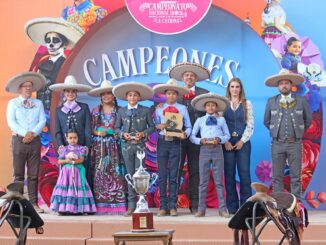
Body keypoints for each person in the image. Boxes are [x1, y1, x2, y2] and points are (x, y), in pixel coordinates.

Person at [169, 62, 210, 213]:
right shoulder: (174, 93)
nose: (189, 77)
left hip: (196, 139)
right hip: (177, 139)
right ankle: (172, 204)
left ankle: (195, 204)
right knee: (175, 171)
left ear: (196, 79)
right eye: (186, 75)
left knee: (195, 170)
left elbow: (210, 116)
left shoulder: (205, 93)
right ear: (182, 78)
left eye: (192, 76)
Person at [264, 69, 312, 198]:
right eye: (281, 83)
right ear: (278, 86)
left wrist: (298, 132)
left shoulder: (301, 100)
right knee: (277, 176)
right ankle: (279, 206)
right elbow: (266, 121)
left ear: (291, 85)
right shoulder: (271, 101)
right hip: (277, 144)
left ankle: (296, 207)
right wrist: (275, 132)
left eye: (286, 83)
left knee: (296, 177)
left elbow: (308, 120)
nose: (284, 85)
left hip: (295, 143)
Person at [5, 72, 47, 213]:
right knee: (18, 174)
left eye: (30, 86)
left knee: (34, 174)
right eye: (25, 86)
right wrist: (25, 134)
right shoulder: (13, 103)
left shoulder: (38, 103)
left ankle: (34, 204)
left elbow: (42, 121)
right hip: (19, 140)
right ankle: (19, 205)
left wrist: (32, 134)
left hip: (34, 141)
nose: (28, 88)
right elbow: (11, 121)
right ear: (19, 88)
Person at [113, 82, 155, 216]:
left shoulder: (145, 110)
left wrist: (143, 134)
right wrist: (122, 134)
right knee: (130, 174)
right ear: (126, 97)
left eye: (135, 95)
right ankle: (131, 205)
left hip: (140, 146)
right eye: (130, 95)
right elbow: (116, 128)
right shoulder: (121, 111)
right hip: (126, 147)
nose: (132, 97)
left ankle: (142, 203)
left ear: (139, 97)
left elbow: (152, 127)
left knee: (140, 174)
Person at [153, 78, 192, 216]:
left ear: (177, 95)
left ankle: (173, 206)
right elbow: (154, 126)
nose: (171, 96)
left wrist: (185, 134)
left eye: (174, 93)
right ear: (165, 94)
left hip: (176, 142)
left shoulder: (183, 108)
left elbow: (188, 126)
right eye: (168, 93)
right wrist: (159, 126)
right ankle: (163, 206)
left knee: (174, 175)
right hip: (163, 141)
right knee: (163, 175)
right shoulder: (158, 109)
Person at [88, 80, 128, 214]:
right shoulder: (95, 110)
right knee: (100, 173)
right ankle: (100, 204)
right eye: (103, 94)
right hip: (99, 147)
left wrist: (116, 133)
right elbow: (90, 129)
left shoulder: (121, 110)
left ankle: (119, 205)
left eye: (109, 93)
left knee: (117, 173)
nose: (106, 96)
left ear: (114, 95)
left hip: (115, 147)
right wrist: (98, 132)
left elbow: (125, 128)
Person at [190, 93, 230, 218]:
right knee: (203, 181)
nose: (211, 107)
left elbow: (227, 135)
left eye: (213, 105)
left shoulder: (221, 120)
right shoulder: (200, 120)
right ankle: (201, 209)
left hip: (217, 150)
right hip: (204, 150)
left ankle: (222, 209)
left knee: (219, 181)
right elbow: (192, 136)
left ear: (216, 107)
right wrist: (200, 141)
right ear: (205, 107)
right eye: (208, 105)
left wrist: (220, 139)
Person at [49, 75, 93, 186]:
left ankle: (83, 199)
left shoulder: (84, 107)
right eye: (67, 91)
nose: (70, 93)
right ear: (64, 92)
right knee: (66, 175)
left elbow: (88, 129)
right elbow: (57, 131)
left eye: (73, 91)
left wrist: (87, 146)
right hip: (65, 147)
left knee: (83, 173)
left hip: (82, 146)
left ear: (76, 92)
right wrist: (61, 145)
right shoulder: (59, 110)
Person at [223, 77, 254, 215]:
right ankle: (232, 207)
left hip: (243, 144)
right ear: (228, 89)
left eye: (237, 87)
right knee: (229, 175)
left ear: (241, 89)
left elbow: (250, 125)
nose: (234, 89)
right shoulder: (223, 104)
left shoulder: (247, 104)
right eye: (232, 87)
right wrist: (225, 141)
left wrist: (243, 140)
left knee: (244, 174)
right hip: (227, 144)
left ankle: (246, 206)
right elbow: (219, 125)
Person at [50, 128, 97, 214]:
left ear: (77, 138)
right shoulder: (64, 149)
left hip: (77, 173)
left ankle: (78, 209)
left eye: (75, 138)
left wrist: (73, 161)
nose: (72, 140)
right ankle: (63, 209)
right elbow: (60, 161)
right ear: (66, 138)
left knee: (77, 189)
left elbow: (82, 160)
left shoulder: (81, 149)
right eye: (70, 138)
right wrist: (67, 161)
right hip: (66, 174)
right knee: (67, 189)